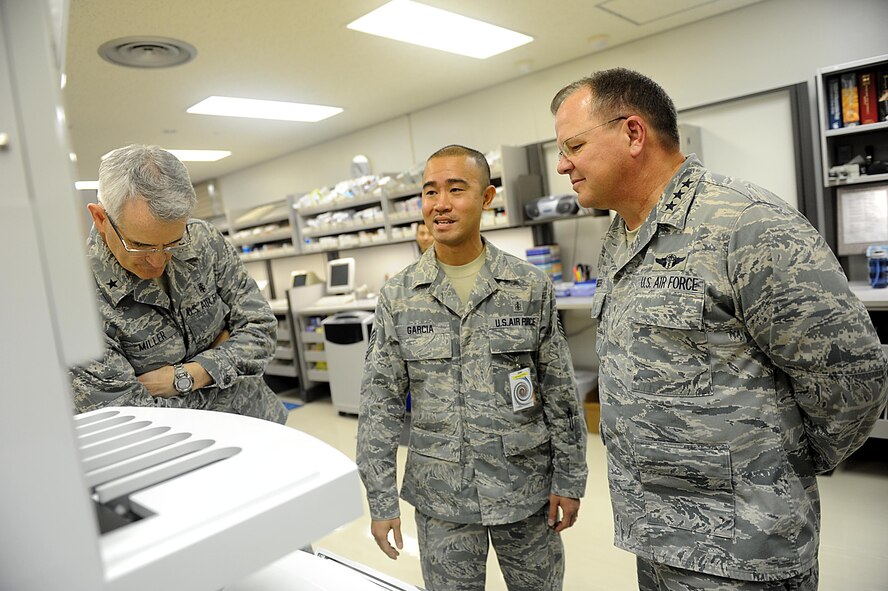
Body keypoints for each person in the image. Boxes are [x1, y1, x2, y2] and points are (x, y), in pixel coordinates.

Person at [550, 68, 888, 590]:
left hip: (743, 547)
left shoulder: (746, 223)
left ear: (633, 133)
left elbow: (852, 376)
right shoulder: (622, 235)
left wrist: (791, 459)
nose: (562, 164)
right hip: (657, 531)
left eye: (574, 146)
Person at [357, 145, 588, 591]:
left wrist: (570, 477)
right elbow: (379, 406)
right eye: (430, 192)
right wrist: (381, 500)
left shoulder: (528, 286)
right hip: (442, 497)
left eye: (456, 189)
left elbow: (559, 391)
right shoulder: (399, 296)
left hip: (524, 489)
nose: (440, 204)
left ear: (486, 198)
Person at [69, 144, 287, 424]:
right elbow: (129, 416)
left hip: (260, 421)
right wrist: (226, 356)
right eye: (140, 246)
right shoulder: (78, 303)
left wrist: (187, 376)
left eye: (172, 243)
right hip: (180, 445)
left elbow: (262, 331)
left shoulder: (202, 240)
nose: (158, 261)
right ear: (101, 219)